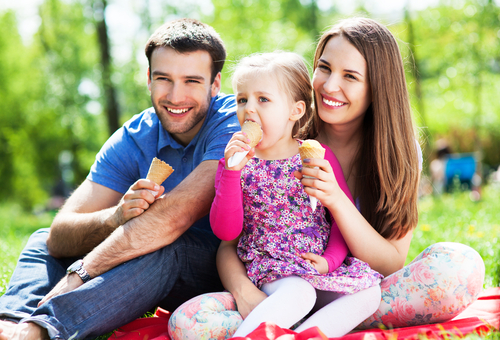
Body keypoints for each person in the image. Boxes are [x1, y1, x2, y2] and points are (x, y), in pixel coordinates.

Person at [167, 17, 485, 339]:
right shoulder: (280, 137)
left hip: (348, 284)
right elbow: (230, 242)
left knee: (457, 267)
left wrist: (336, 200)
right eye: (324, 68)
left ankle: (297, 326)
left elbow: (390, 264)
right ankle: (289, 320)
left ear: (377, 88)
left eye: (350, 76)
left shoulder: (399, 154)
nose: (330, 86)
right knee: (188, 323)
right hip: (273, 285)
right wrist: (245, 292)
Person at [0, 18, 239, 340]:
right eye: (163, 79)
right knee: (43, 238)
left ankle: (40, 330)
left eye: (192, 81)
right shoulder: (133, 137)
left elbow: (174, 218)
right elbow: (60, 235)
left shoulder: (233, 121)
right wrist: (114, 218)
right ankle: (10, 320)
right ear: (148, 80)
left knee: (166, 243)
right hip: (146, 267)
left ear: (215, 84)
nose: (175, 95)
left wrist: (80, 274)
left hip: (224, 269)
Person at [200, 51, 382, 338]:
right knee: (300, 293)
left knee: (370, 295)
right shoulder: (237, 165)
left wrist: (330, 260)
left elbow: (339, 219)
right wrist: (230, 173)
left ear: (295, 111)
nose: (249, 109)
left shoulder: (316, 157)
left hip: (317, 266)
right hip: (272, 269)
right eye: (242, 99)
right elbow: (226, 232)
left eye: (263, 99)